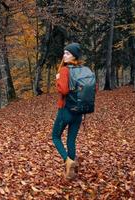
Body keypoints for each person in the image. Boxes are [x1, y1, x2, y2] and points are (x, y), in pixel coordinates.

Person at [52, 42, 84, 180]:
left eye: (67, 53)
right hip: (79, 111)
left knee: (55, 137)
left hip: (65, 110)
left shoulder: (65, 70)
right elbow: (93, 89)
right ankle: (71, 172)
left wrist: (58, 80)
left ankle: (68, 161)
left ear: (74, 56)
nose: (64, 55)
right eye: (64, 53)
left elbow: (63, 90)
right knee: (71, 140)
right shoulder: (83, 69)